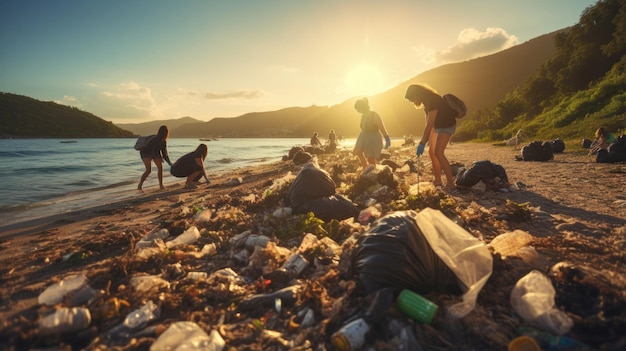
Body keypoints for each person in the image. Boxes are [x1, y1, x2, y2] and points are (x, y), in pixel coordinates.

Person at [405, 84, 457, 194]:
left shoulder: (433, 99)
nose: (412, 101)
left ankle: (451, 184)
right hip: (437, 126)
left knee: (438, 152)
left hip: (447, 125)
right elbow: (428, 124)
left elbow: (430, 124)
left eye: (412, 99)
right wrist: (424, 141)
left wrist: (422, 142)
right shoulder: (426, 101)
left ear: (417, 94)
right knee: (431, 152)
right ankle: (438, 180)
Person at [353, 98, 391, 169]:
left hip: (373, 138)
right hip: (364, 137)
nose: (358, 111)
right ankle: (366, 167)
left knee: (371, 158)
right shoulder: (363, 115)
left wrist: (387, 138)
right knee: (357, 152)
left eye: (358, 109)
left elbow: (381, 127)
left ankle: (370, 171)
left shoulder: (374, 114)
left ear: (362, 107)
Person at [138, 125, 172, 190]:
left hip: (146, 153)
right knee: (154, 169)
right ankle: (160, 185)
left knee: (150, 170)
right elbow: (162, 153)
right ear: (166, 133)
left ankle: (141, 184)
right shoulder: (159, 140)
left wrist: (168, 162)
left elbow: (163, 153)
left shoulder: (157, 139)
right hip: (146, 153)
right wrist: (169, 162)